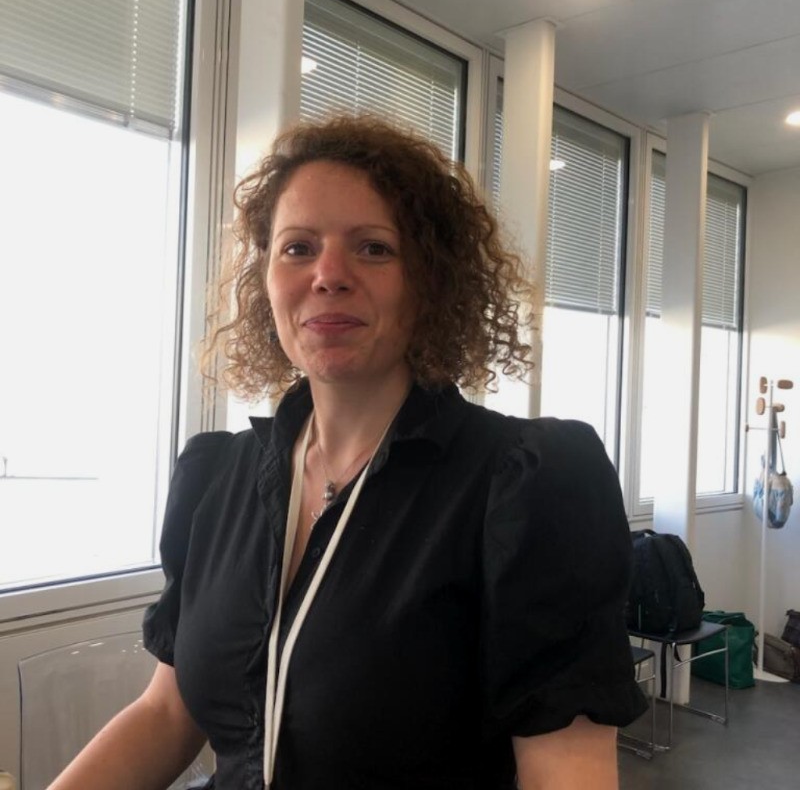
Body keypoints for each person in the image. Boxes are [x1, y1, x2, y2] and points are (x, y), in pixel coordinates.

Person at [49, 115, 646, 790]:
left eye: (373, 249)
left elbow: (565, 770)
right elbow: (165, 713)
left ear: (430, 280)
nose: (328, 275)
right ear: (266, 279)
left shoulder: (524, 484)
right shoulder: (217, 477)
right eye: (298, 248)